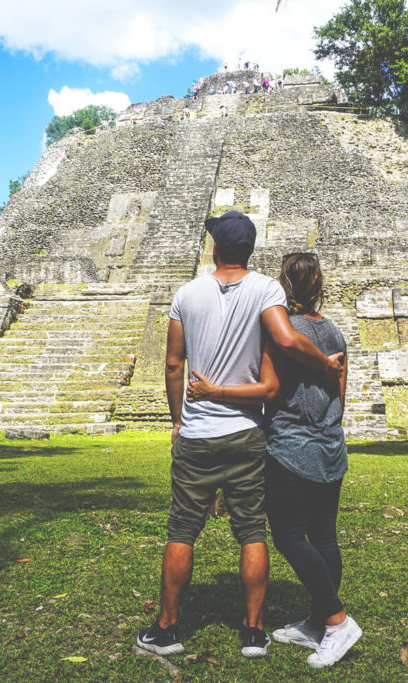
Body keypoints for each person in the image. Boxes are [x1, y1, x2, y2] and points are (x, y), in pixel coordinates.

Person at [136, 213, 344, 660]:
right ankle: (253, 632)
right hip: (247, 431)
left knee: (183, 530)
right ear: (249, 251)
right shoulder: (266, 288)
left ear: (215, 249)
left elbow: (174, 363)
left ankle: (167, 627)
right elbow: (286, 340)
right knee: (252, 532)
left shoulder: (186, 294)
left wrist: (177, 418)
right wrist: (326, 364)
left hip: (196, 431)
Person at [188, 252, 362, 669]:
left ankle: (337, 621)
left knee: (286, 536)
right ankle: (317, 621)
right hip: (330, 442)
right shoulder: (334, 333)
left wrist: (216, 393)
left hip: (290, 445)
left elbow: (268, 390)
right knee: (324, 535)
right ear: (319, 284)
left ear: (284, 284)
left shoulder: (281, 331)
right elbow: (340, 389)